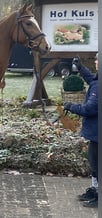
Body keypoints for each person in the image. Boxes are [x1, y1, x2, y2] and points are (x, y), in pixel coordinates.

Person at [64, 53, 98, 208]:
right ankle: (95, 190)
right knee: (94, 162)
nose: (96, 61)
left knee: (97, 164)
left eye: (98, 60)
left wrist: (71, 106)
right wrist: (81, 68)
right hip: (95, 133)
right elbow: (92, 80)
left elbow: (90, 109)